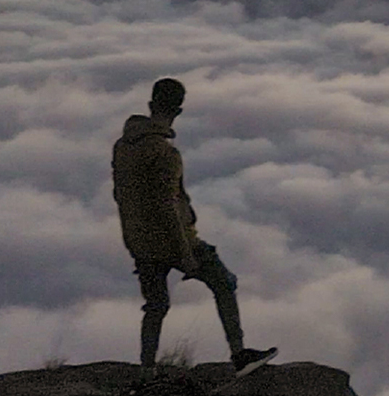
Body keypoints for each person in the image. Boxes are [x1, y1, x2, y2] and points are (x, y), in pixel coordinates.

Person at [112, 78, 275, 378]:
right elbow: (167, 207)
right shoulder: (165, 154)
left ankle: (146, 369)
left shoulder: (123, 146)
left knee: (156, 305)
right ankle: (239, 354)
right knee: (224, 282)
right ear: (179, 110)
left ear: (150, 105)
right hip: (173, 240)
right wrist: (184, 253)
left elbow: (122, 197)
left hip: (139, 241)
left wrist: (134, 243)